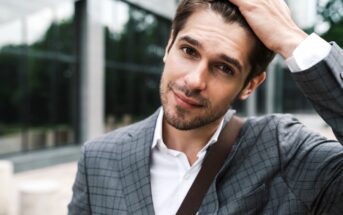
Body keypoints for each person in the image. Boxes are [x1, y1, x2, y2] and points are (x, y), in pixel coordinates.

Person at [68, 0, 343, 214]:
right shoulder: (98, 159)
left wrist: (293, 39)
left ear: (251, 85)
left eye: (224, 67)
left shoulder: (286, 153)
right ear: (168, 46)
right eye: (189, 51)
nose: (195, 80)